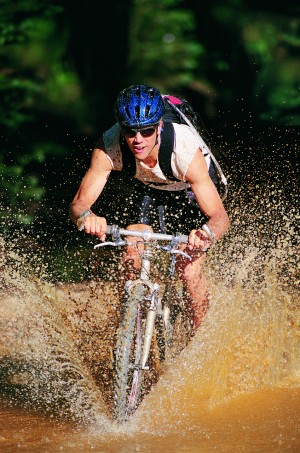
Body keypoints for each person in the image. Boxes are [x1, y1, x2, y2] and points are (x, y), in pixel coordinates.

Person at [69, 84, 230, 331]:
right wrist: (88, 217)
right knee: (132, 257)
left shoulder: (184, 149)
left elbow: (219, 217)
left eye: (146, 131)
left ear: (159, 126)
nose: (138, 139)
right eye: (130, 131)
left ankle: (200, 341)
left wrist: (205, 234)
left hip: (188, 190)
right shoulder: (109, 145)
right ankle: (129, 336)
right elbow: (78, 206)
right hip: (147, 186)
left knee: (188, 271)